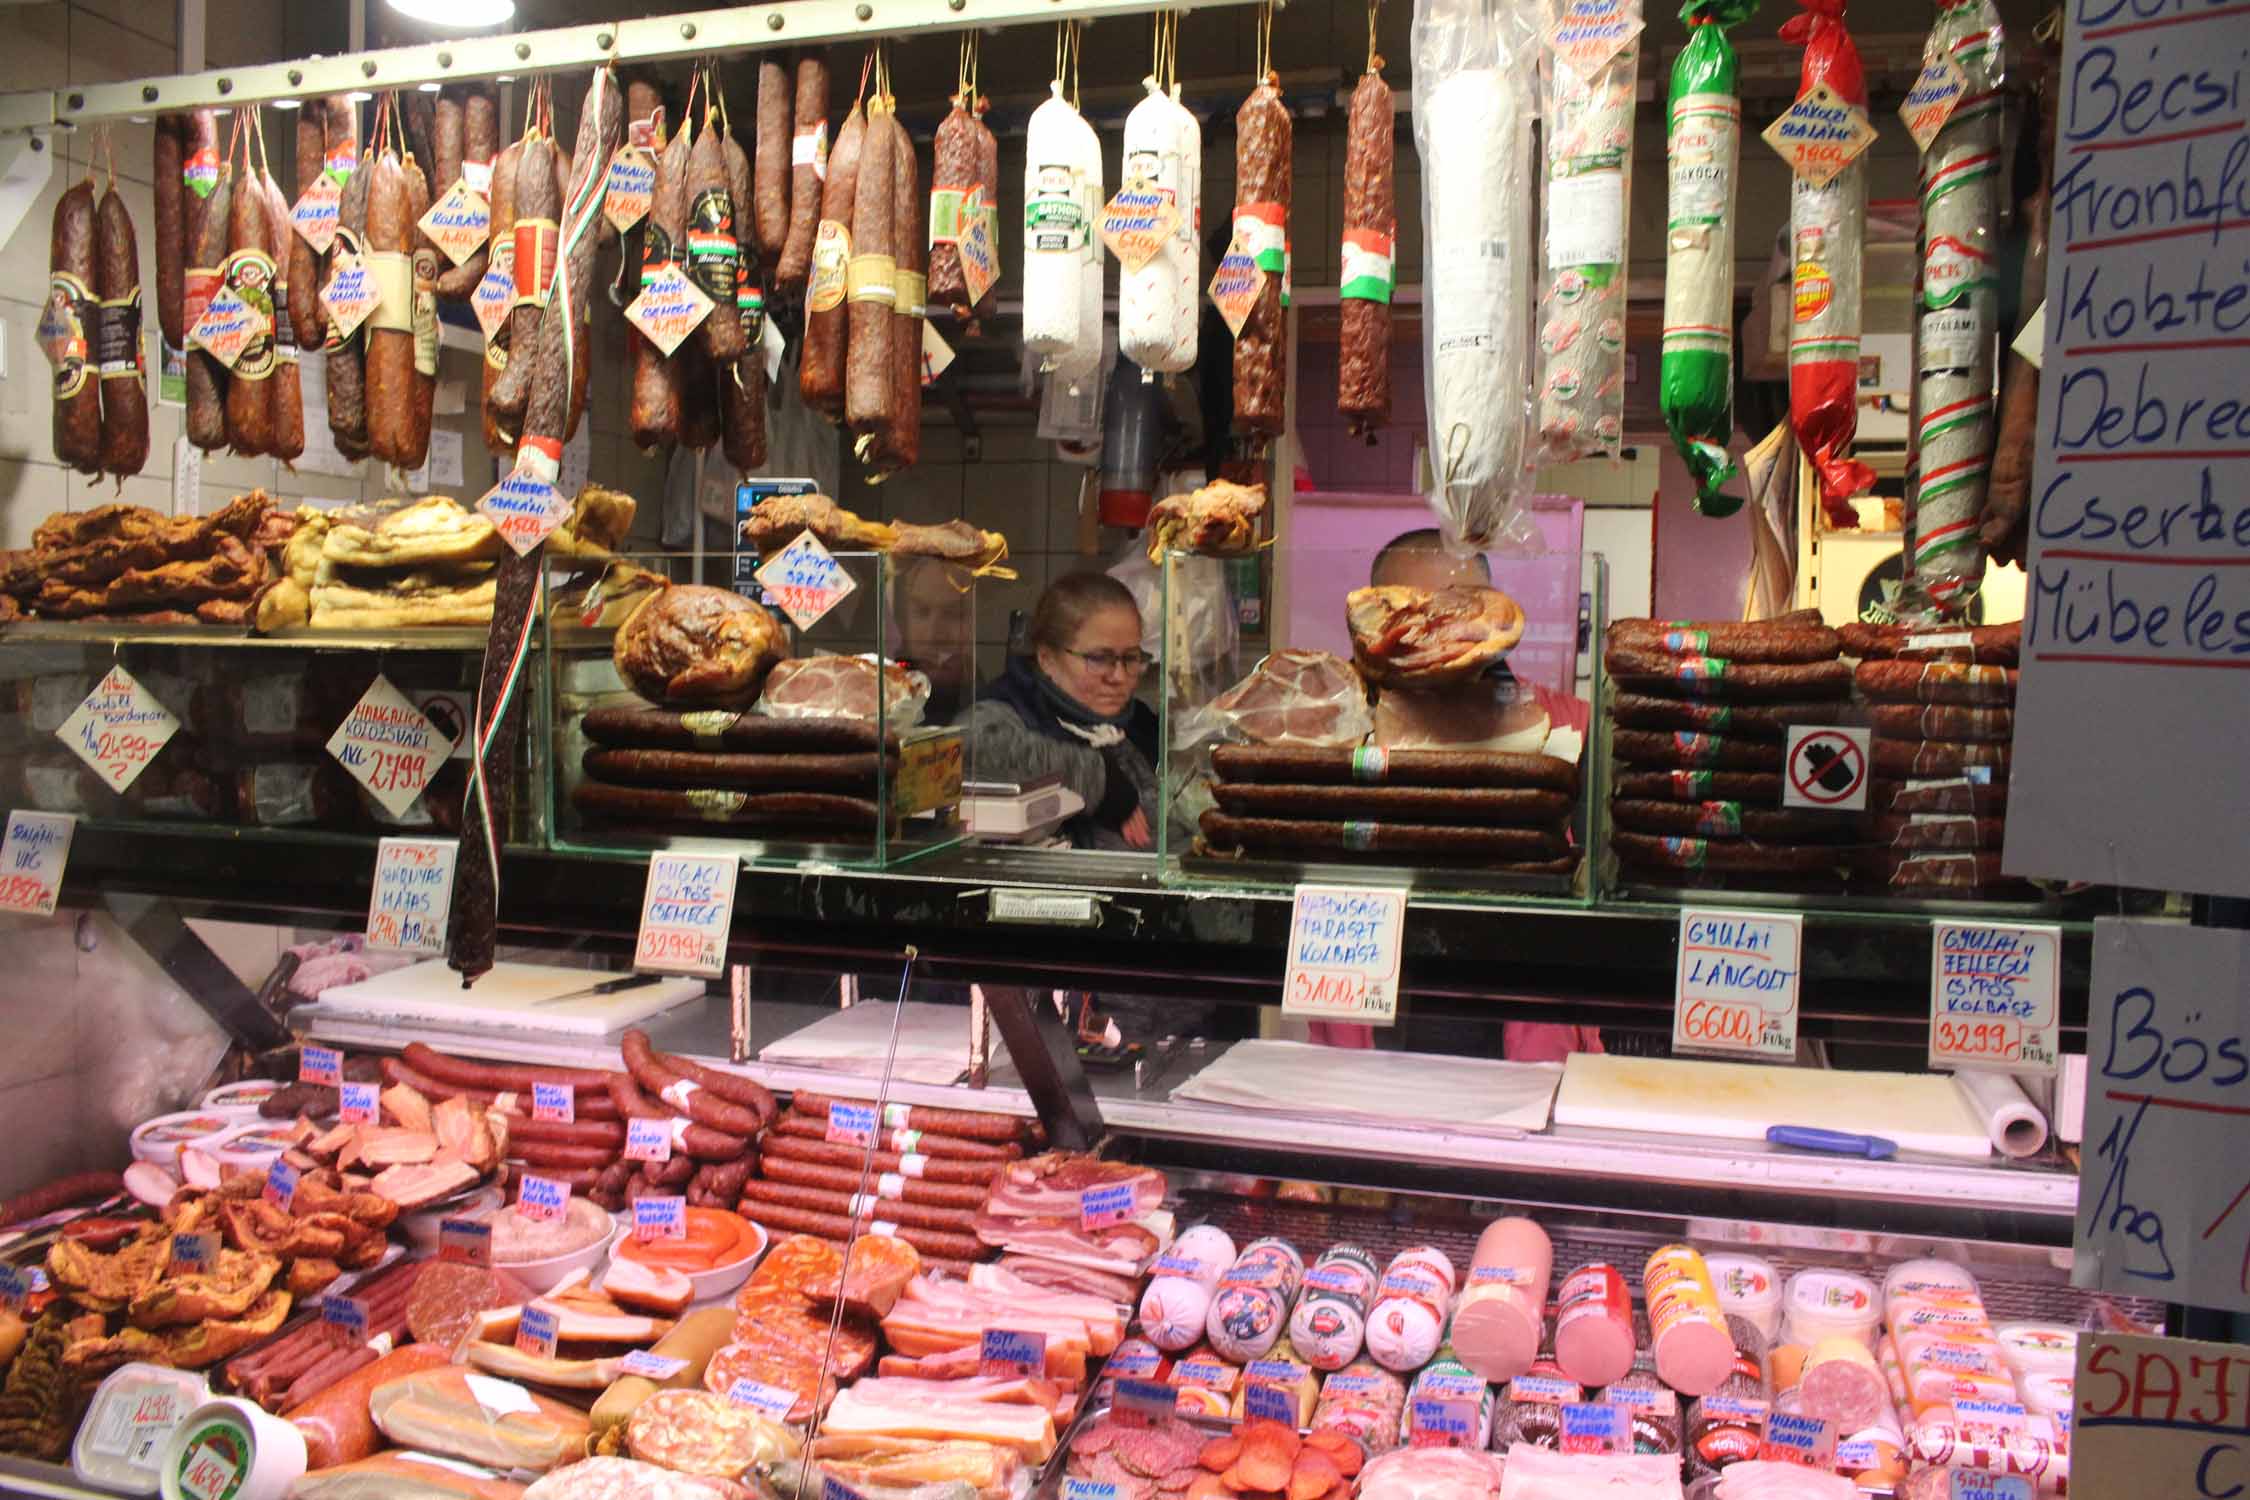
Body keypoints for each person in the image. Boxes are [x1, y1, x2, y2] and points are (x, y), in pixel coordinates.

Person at [963, 571, 1160, 851]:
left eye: (1130, 658)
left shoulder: (1139, 725)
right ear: (1047, 658)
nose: (1118, 676)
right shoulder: (1010, 708)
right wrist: (1097, 778)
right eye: (1099, 658)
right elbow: (969, 747)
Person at [1370, 528, 1591, 736]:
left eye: (1459, 612)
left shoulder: (1570, 723)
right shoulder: (1348, 714)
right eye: (1408, 617)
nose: (1438, 637)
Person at [891, 557, 975, 726]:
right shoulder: (883, 698)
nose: (933, 634)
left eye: (952, 614)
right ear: (903, 622)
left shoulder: (988, 701)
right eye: (921, 612)